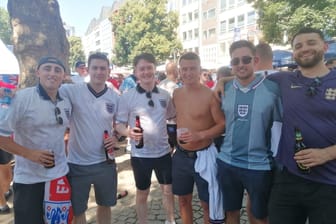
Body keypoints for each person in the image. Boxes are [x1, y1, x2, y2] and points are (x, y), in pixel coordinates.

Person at [266, 27, 336, 224]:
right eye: (298, 46)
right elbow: (249, 78)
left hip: (330, 183)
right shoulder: (283, 79)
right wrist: (223, 82)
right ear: (293, 52)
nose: (304, 48)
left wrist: (327, 154)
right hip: (289, 178)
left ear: (324, 46)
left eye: (311, 43)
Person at [0, 56, 72, 224]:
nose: (52, 73)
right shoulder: (22, 98)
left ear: (64, 76)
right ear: (37, 72)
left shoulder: (66, 101)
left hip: (59, 175)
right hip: (29, 179)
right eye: (47, 68)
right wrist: (29, 154)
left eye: (57, 70)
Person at [216, 40, 282, 224]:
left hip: (259, 165)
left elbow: (279, 127)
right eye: (235, 61)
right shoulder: (224, 90)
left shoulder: (273, 89)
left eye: (245, 59)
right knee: (231, 214)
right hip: (227, 162)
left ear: (256, 60)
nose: (240, 64)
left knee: (260, 217)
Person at [115, 53, 176, 224]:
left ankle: (170, 220)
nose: (146, 72)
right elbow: (118, 124)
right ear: (135, 71)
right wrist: (128, 133)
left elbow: (172, 118)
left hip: (163, 152)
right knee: (142, 192)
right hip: (140, 155)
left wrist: (173, 141)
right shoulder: (127, 96)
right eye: (142, 68)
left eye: (149, 67)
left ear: (155, 69)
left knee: (167, 191)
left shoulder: (165, 94)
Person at [60, 53, 119, 224]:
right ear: (88, 70)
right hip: (77, 163)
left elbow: (121, 124)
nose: (99, 72)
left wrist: (116, 137)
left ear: (108, 70)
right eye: (95, 68)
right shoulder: (71, 91)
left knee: (105, 205)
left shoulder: (115, 97)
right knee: (78, 210)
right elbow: (48, 91)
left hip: (105, 163)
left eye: (103, 68)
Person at [172, 52, 225, 224]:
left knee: (207, 203)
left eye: (192, 69)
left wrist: (200, 135)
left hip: (203, 155)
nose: (188, 73)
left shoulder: (210, 95)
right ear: (179, 71)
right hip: (181, 155)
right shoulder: (176, 93)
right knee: (183, 200)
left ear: (199, 69)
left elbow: (222, 124)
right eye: (184, 69)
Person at [159, 62, 180, 151]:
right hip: (173, 123)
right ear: (175, 71)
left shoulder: (159, 86)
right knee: (177, 147)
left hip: (161, 123)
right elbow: (178, 107)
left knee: (167, 148)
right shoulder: (175, 88)